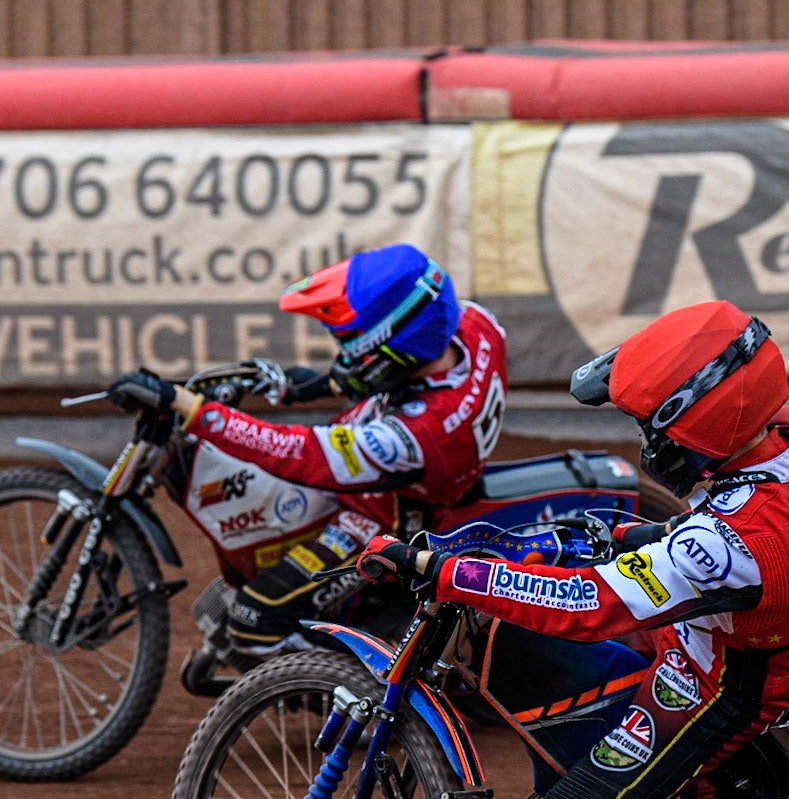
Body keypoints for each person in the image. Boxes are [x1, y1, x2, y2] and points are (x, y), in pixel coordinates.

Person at [359, 299, 789, 799]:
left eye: (652, 425)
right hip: (770, 617)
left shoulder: (732, 545)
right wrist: (649, 538)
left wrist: (445, 571)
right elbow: (748, 516)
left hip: (719, 684)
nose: (646, 440)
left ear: (702, 420)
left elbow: (587, 605)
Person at [106, 243, 508, 659]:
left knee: (253, 620)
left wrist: (193, 410)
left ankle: (367, 688)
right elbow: (390, 373)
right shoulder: (476, 325)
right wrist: (306, 387)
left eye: (350, 340)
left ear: (397, 347)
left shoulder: (418, 434)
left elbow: (299, 453)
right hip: (395, 471)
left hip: (378, 517)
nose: (344, 351)